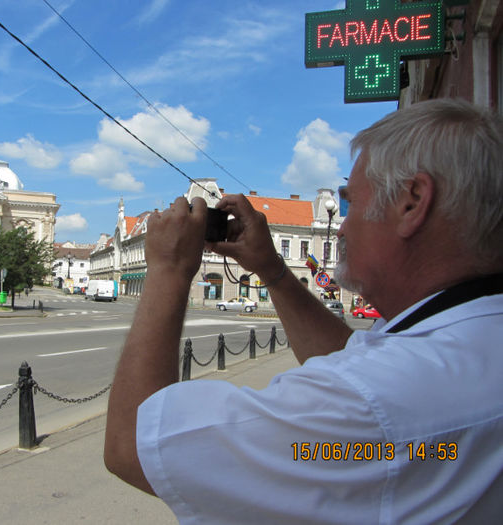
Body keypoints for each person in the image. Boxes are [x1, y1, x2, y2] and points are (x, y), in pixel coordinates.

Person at [104, 98, 503, 523]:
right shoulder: (472, 332)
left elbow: (133, 446)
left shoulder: (367, 405)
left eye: (352, 203)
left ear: (412, 202)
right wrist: (272, 269)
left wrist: (167, 269)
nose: (343, 226)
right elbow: (349, 353)